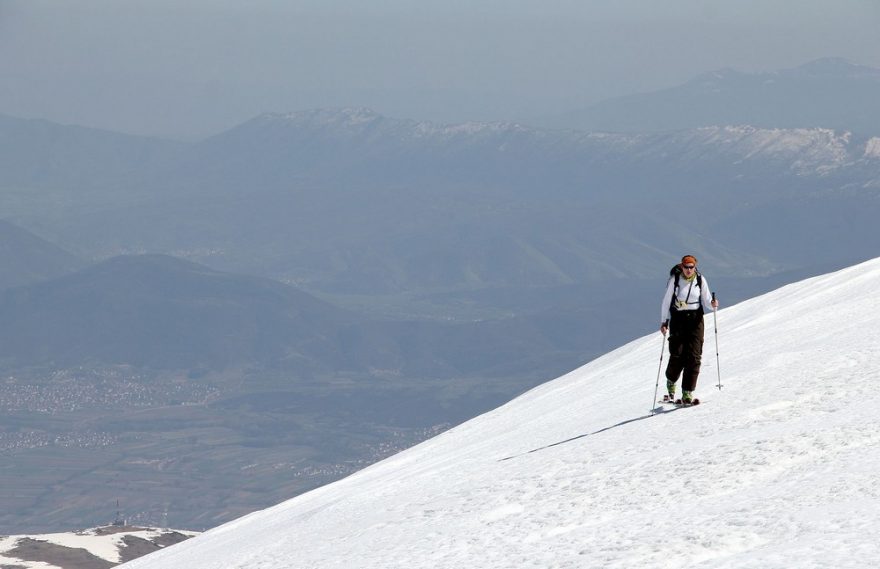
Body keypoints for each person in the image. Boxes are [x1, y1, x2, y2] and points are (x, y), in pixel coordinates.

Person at [660, 255, 718, 405]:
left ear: (695, 267)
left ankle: (687, 391)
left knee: (694, 355)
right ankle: (671, 380)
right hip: (678, 319)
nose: (688, 270)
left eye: (691, 267)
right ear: (682, 266)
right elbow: (667, 301)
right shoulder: (675, 280)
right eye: (686, 267)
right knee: (677, 353)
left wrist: (713, 304)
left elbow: (706, 301)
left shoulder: (700, 280)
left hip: (695, 319)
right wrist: (664, 321)